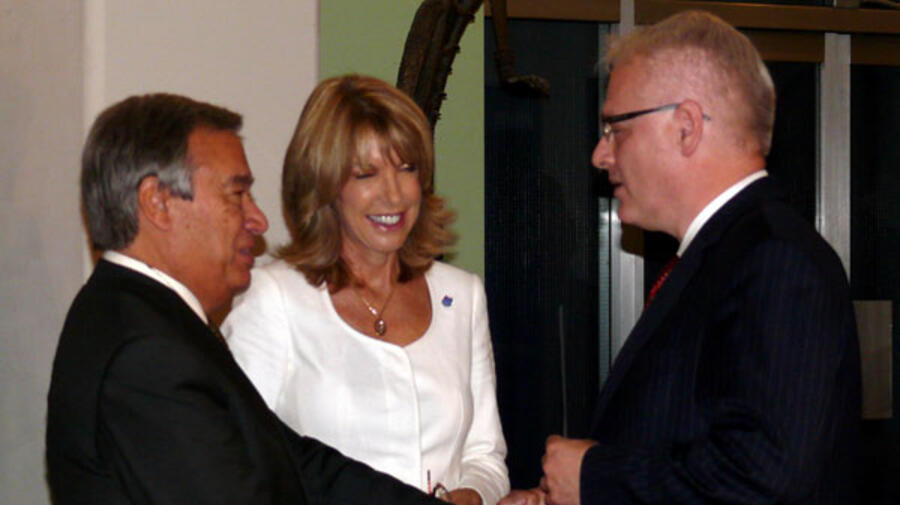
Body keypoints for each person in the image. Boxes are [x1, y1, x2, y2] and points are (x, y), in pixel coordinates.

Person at [502, 10, 860, 505]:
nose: (599, 155)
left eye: (615, 128)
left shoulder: (775, 261)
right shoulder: (726, 254)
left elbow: (767, 478)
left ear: (686, 127)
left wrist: (596, 478)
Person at [46, 93, 446, 505]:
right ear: (158, 203)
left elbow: (298, 466)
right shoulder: (147, 352)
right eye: (237, 194)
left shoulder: (149, 320)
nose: (258, 219)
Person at [221, 74, 510, 505]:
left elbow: (486, 456)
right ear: (324, 186)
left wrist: (472, 494)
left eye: (407, 168)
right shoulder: (273, 297)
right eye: (366, 174)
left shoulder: (462, 295)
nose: (393, 195)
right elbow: (238, 460)